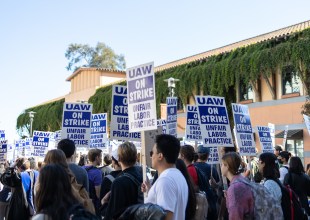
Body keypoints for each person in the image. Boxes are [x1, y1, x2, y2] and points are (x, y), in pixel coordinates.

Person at [142, 134, 188, 220]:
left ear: (160, 156)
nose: (151, 156)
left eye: (152, 153)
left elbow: (165, 216)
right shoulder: (178, 175)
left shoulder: (165, 180)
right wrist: (151, 191)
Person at [103, 142, 143, 220]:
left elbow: (114, 213)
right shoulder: (143, 176)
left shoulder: (119, 182)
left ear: (119, 159)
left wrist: (104, 204)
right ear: (136, 157)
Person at [221, 152, 254, 220]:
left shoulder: (235, 188)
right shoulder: (241, 179)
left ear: (227, 166)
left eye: (222, 164)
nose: (220, 167)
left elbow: (235, 216)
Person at [83, 148, 102, 215]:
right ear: (97, 157)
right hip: (92, 206)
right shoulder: (97, 172)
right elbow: (98, 194)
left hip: (81, 203)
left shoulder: (81, 168)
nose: (101, 159)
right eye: (100, 157)